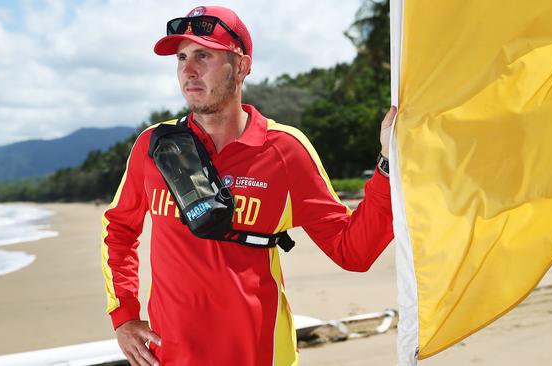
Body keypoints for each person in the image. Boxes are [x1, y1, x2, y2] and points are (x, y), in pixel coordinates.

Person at [101, 5, 396, 366]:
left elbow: (354, 251)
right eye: (181, 57)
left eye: (203, 55)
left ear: (241, 66)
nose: (188, 71)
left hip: (261, 356)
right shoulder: (155, 147)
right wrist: (124, 315)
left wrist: (387, 165)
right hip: (171, 357)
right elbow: (118, 229)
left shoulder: (285, 151)